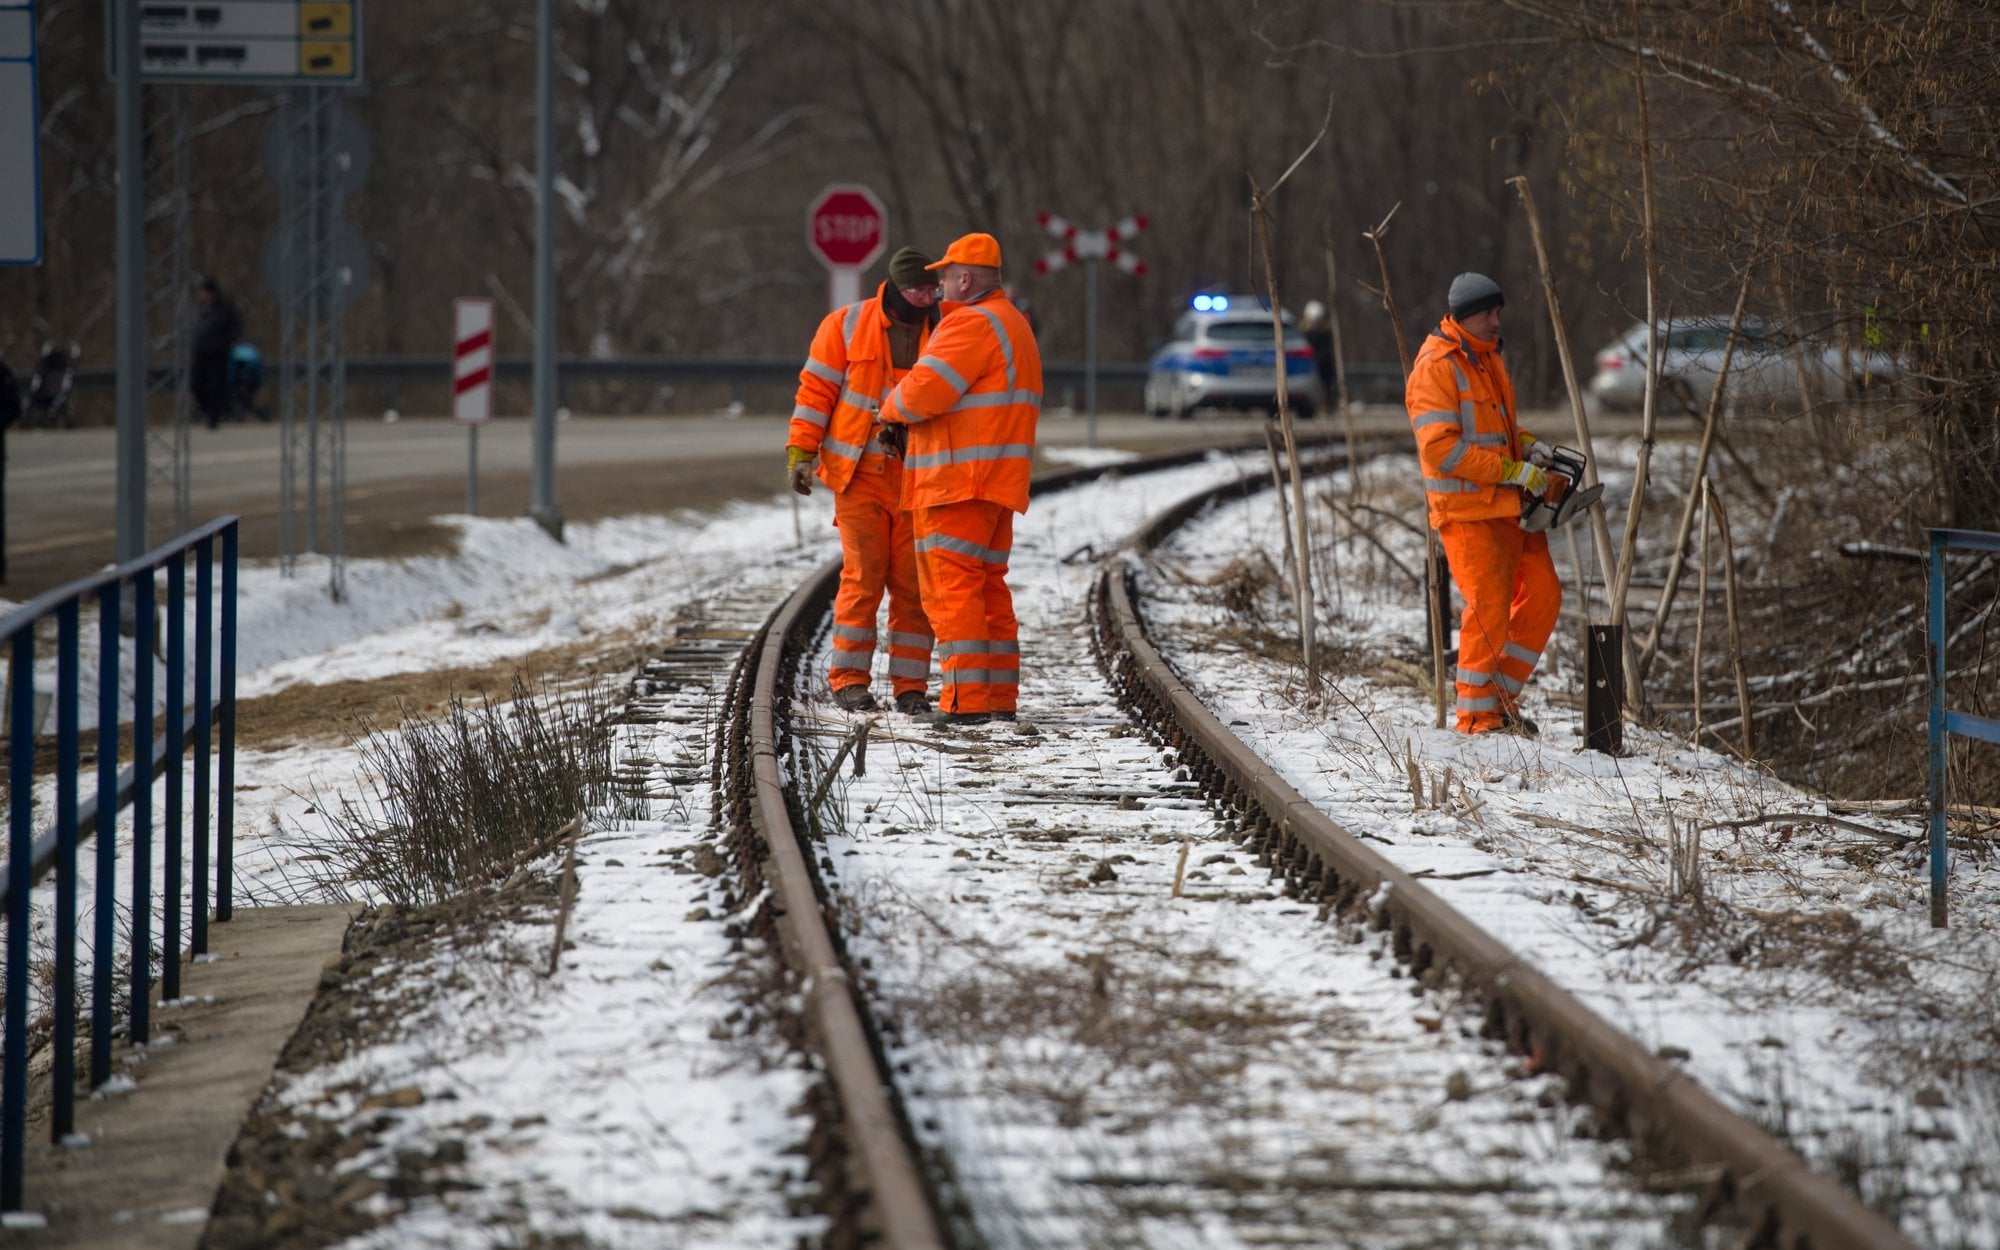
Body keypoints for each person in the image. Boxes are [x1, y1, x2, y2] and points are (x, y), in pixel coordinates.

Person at [880, 232, 1043, 727]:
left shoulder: (969, 324)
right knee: (989, 591)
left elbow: (923, 392)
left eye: (945, 276)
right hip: (995, 482)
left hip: (956, 483)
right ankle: (997, 698)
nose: (940, 287)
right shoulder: (1013, 323)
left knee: (951, 593)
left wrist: (886, 408)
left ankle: (964, 702)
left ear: (965, 278)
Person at [1405, 272, 1561, 737]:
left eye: (1498, 312)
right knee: (1489, 612)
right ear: (1465, 315)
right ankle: (1476, 719)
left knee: (1544, 596)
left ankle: (1499, 701)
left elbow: (1498, 430)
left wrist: (1528, 447)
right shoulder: (1436, 366)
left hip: (1508, 508)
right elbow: (1441, 449)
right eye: (1489, 313)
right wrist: (1509, 471)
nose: (1497, 320)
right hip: (1470, 514)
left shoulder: (1486, 358)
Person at [788, 245, 941, 715]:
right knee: (863, 578)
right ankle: (850, 680)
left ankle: (910, 688)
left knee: (914, 587)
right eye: (915, 288)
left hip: (919, 478)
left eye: (930, 289)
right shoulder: (845, 325)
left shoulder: (947, 327)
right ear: (894, 286)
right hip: (859, 476)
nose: (923, 297)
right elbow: (816, 393)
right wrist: (801, 451)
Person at [189, 278, 244, 429]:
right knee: (196, 383)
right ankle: (207, 410)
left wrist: (225, 344)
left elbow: (236, 328)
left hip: (219, 354)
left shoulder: (225, 308)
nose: (202, 295)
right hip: (200, 353)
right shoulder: (198, 310)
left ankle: (214, 417)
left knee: (216, 385)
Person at [1299, 299, 1336, 408]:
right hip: (1309, 364)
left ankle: (1327, 403)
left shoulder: (1325, 333)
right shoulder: (1304, 333)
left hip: (1323, 364)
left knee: (1326, 385)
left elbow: (1326, 350)